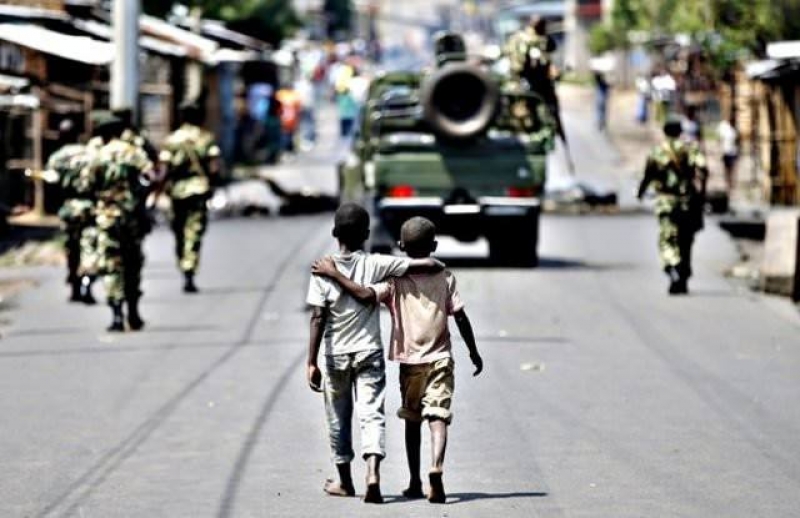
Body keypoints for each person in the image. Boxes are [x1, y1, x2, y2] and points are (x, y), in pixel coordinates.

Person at [312, 216, 483, 504]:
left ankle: (415, 481)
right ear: (434, 245)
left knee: (412, 420)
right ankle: (436, 466)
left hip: (410, 363)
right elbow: (461, 316)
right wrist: (473, 351)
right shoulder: (445, 276)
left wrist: (335, 274)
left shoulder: (394, 281)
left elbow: (365, 295)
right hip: (441, 358)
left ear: (401, 246)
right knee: (438, 415)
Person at [86, 112, 155, 331]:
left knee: (111, 264)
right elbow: (151, 177)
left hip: (107, 218)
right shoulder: (133, 152)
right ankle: (133, 313)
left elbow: (88, 184)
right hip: (131, 217)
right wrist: (138, 198)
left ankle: (117, 315)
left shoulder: (97, 156)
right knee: (133, 263)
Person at [638, 116, 709, 295]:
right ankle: (683, 276)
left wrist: (640, 193)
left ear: (664, 131)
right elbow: (703, 169)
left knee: (668, 240)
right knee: (686, 241)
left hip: (666, 203)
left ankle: (673, 267)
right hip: (688, 203)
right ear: (680, 131)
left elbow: (647, 176)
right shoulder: (691, 148)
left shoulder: (657, 151)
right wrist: (701, 192)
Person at [159, 103, 221, 293]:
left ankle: (183, 263)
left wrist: (161, 188)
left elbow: (164, 169)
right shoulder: (206, 138)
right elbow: (214, 167)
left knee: (178, 231)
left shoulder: (172, 139)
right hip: (199, 190)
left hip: (177, 191)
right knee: (194, 231)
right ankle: (189, 270)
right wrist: (212, 185)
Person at [46, 119, 90, 302]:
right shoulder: (89, 153)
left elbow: (51, 182)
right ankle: (87, 282)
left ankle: (75, 286)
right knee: (89, 246)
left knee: (72, 247)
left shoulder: (57, 157)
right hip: (89, 207)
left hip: (69, 207)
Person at [718, 116, 739, 192]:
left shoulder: (735, 130)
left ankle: (731, 183)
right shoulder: (725, 128)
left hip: (733, 152)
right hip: (726, 152)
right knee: (727, 169)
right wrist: (720, 150)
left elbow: (738, 141)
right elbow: (721, 140)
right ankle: (727, 183)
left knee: (732, 168)